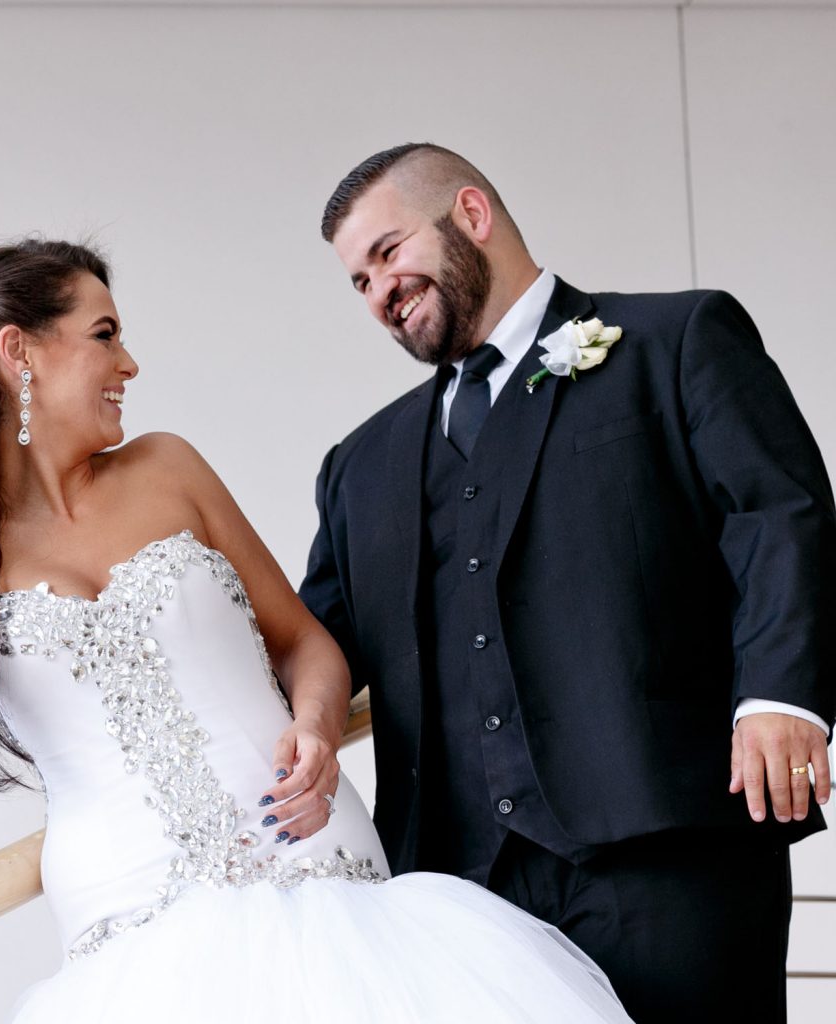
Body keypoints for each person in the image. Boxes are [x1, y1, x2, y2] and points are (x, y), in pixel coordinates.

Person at [0, 240, 633, 1022]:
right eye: (104, 334)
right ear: (21, 352)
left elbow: (302, 642)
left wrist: (318, 730)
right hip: (128, 923)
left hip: (314, 863)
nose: (130, 364)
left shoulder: (168, 469)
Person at [298, 143, 836, 1023]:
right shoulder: (360, 466)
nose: (379, 292)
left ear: (471, 214)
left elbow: (779, 514)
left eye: (388, 252)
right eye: (358, 281)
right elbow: (310, 644)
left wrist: (781, 694)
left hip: (670, 852)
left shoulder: (676, 341)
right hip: (458, 889)